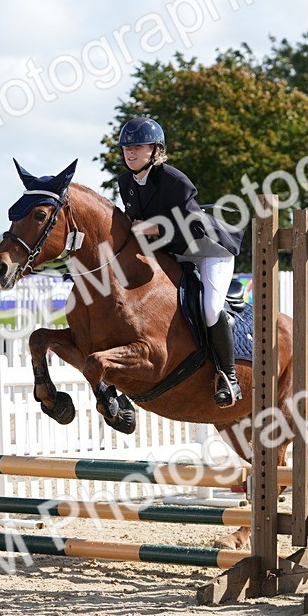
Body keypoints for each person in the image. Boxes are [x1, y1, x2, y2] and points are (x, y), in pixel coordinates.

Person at [115, 116, 245, 407]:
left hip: (209, 250)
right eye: (126, 148)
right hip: (174, 251)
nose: (131, 153)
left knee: (211, 308)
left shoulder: (173, 179)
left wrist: (153, 228)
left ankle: (229, 377)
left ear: (156, 150)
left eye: (138, 147)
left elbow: (194, 226)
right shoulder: (126, 183)